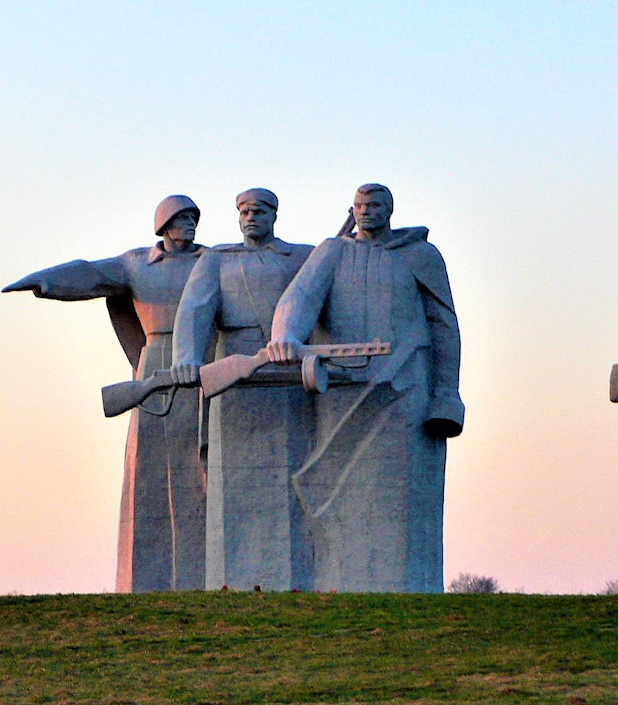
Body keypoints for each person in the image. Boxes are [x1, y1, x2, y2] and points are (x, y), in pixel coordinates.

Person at [265, 184, 464, 592]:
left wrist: (446, 393)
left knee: (401, 497)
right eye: (359, 206)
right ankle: (334, 583)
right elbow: (299, 298)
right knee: (333, 492)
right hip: (342, 389)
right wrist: (285, 334)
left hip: (406, 387)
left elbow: (444, 326)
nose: (365, 212)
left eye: (374, 206)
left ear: (389, 211)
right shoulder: (333, 252)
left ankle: (408, 586)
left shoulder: (420, 256)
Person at [4, 196, 207, 592]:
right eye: (182, 218)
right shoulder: (137, 264)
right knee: (150, 467)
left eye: (193, 218)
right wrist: (44, 281)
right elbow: (89, 273)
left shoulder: (213, 261)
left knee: (200, 466)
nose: (190, 225)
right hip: (155, 362)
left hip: (202, 360)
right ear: (163, 224)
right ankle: (149, 578)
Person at [171, 189, 316, 591]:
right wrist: (186, 356)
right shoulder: (217, 259)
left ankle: (295, 580)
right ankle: (230, 581)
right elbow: (195, 308)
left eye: (260, 211)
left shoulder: (301, 256)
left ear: (274, 215)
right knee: (231, 485)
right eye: (245, 211)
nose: (252, 217)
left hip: (286, 373)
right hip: (232, 370)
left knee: (292, 478)